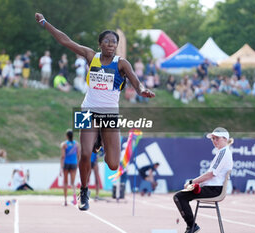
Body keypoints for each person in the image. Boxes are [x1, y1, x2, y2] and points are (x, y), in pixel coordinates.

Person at [35, 12, 155, 210]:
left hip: (109, 114)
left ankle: (101, 141)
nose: (111, 44)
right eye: (107, 41)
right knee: (85, 154)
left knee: (113, 164)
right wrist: (45, 23)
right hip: (88, 110)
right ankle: (84, 191)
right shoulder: (92, 56)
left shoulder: (122, 63)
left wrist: (143, 91)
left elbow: (136, 83)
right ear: (100, 44)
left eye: (114, 42)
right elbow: (65, 41)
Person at [173, 127, 234, 233]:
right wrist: (196, 184)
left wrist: (192, 182)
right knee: (180, 196)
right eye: (213, 139)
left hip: (214, 190)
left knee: (179, 197)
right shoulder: (222, 152)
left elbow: (210, 174)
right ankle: (191, 226)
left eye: (217, 138)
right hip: (211, 188)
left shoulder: (224, 153)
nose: (214, 141)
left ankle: (191, 227)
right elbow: (210, 175)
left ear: (225, 139)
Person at [60, 130, 80, 206]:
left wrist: (61, 167)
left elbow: (63, 156)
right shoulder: (76, 144)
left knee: (65, 182)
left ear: (67, 136)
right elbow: (78, 155)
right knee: (73, 183)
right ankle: (74, 199)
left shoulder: (64, 144)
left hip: (66, 164)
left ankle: (65, 200)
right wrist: (78, 164)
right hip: (74, 164)